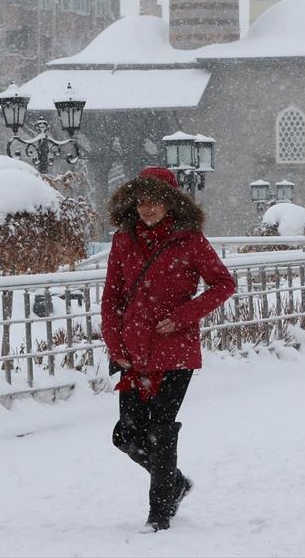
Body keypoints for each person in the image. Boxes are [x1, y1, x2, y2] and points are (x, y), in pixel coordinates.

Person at [101, 166, 236, 533]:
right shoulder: (123, 239)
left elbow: (223, 284)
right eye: (141, 201)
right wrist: (115, 345)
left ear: (170, 202)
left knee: (161, 431)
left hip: (175, 352)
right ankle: (173, 482)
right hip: (133, 352)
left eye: (155, 201)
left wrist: (182, 316)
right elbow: (112, 297)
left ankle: (159, 513)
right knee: (126, 435)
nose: (147, 209)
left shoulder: (189, 240)